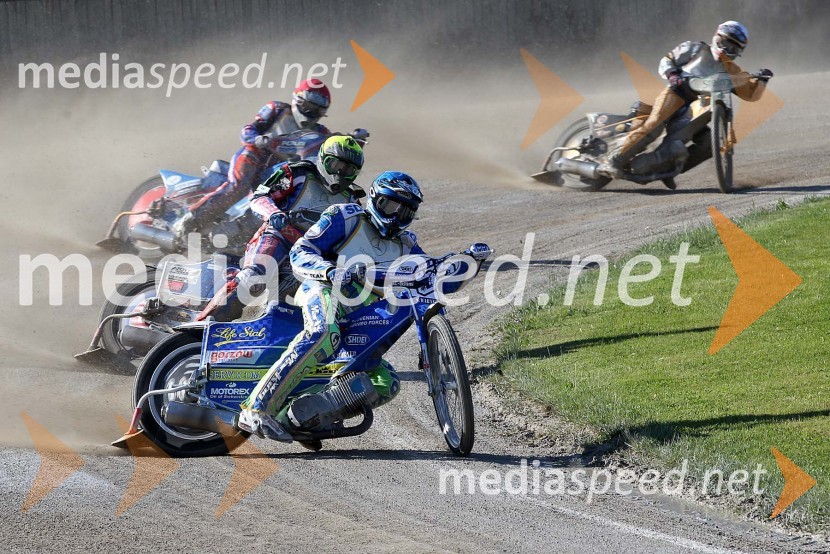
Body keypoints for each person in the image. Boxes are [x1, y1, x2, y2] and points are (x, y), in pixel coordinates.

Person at [237, 171, 425, 442]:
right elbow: (300, 252)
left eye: (405, 212)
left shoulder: (408, 245)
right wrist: (328, 270)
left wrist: (464, 264)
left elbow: (429, 279)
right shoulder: (345, 216)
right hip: (322, 289)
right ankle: (256, 408)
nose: (396, 216)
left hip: (360, 318)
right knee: (324, 332)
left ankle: (298, 419)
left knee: (387, 383)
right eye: (391, 206)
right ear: (374, 199)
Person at [172, 79, 367, 237]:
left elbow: (331, 145)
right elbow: (248, 128)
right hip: (255, 155)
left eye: (317, 110)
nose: (311, 113)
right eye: (308, 106)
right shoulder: (277, 109)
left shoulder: (321, 131)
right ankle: (190, 218)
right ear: (297, 100)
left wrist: (353, 139)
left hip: (280, 169)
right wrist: (256, 139)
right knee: (238, 187)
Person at [601, 21, 773, 181]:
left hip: (700, 109)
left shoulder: (734, 72)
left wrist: (763, 81)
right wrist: (673, 75)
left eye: (733, 48)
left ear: (739, 52)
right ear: (717, 37)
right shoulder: (695, 48)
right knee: (655, 125)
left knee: (708, 144)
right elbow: (667, 60)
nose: (727, 50)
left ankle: (665, 170)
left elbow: (751, 94)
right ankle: (614, 159)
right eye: (725, 43)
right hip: (677, 94)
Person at [234, 134, 366, 297]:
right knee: (251, 279)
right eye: (336, 165)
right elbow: (259, 196)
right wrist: (273, 213)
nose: (340, 173)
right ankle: (203, 320)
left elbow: (355, 237)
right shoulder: (297, 173)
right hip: (279, 237)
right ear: (323, 158)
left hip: (312, 254)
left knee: (323, 293)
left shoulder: (352, 201)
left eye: (348, 170)